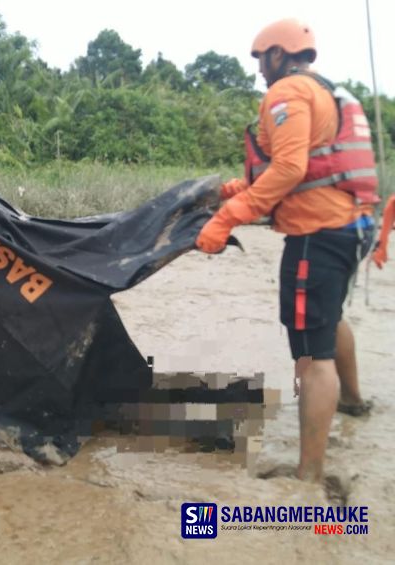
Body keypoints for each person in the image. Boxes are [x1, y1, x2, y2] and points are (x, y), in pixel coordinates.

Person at [195, 19, 379, 481]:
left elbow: (291, 169)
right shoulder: (327, 93)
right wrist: (227, 191)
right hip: (352, 228)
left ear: (278, 53)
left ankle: (309, 476)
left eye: (261, 58)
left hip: (317, 235)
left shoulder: (286, 94)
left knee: (312, 355)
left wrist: (227, 218)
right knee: (330, 316)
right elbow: (298, 168)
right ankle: (354, 402)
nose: (259, 69)